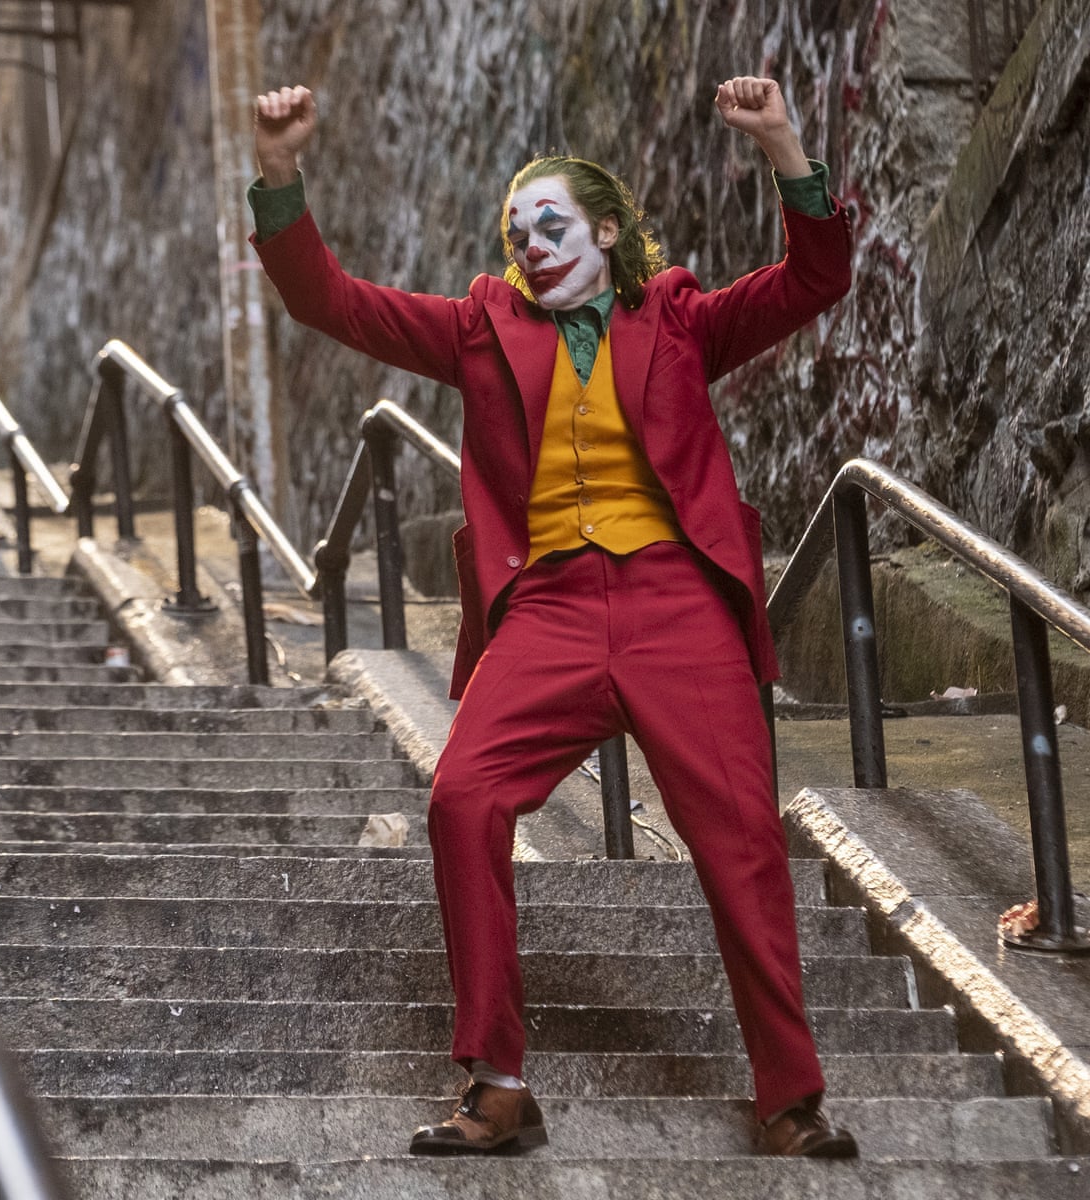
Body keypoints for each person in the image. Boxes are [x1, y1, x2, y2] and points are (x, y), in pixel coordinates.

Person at [249, 74, 857, 1160]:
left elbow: (813, 278)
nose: (530, 244)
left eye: (553, 224)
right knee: (464, 796)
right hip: (550, 610)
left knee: (743, 840)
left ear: (608, 231)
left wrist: (784, 144)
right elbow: (329, 302)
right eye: (517, 231)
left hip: (679, 604)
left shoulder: (673, 314)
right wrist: (282, 175)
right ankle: (500, 1083)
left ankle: (790, 1095)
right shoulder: (482, 326)